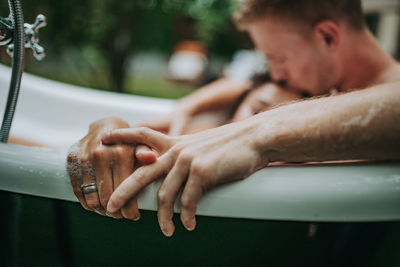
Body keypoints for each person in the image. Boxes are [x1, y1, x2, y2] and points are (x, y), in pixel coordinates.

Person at [68, 0, 400, 236]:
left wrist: (255, 136)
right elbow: (206, 128)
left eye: (277, 57)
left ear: (327, 36)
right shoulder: (314, 93)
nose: (273, 72)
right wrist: (110, 128)